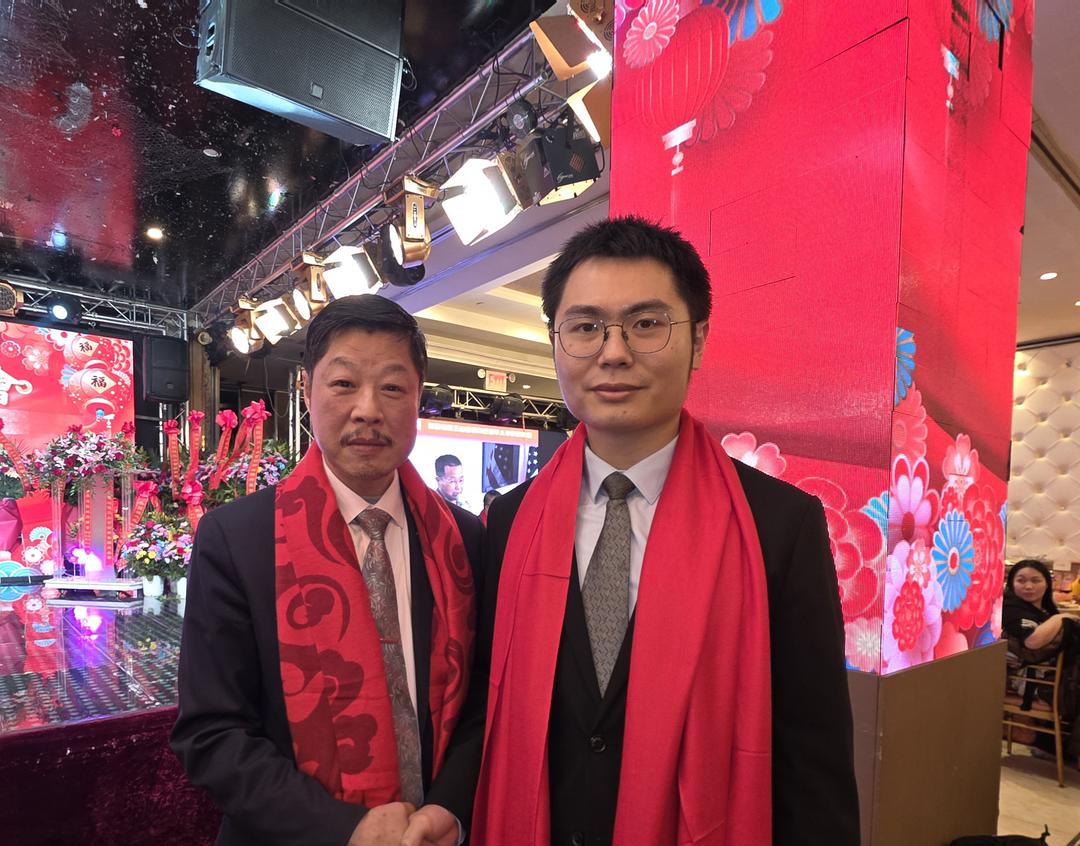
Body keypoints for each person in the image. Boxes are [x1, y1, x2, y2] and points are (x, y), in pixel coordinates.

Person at [405, 216, 860, 846]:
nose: (613, 353)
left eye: (646, 324)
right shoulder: (510, 520)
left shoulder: (779, 526)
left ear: (698, 339)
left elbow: (813, 761)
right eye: (586, 327)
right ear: (556, 342)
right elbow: (490, 698)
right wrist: (451, 807)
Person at [171, 295, 482, 846]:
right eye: (343, 384)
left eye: (393, 387)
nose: (368, 410)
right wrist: (345, 830)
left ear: (418, 397)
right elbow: (213, 732)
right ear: (306, 390)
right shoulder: (237, 539)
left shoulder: (463, 539)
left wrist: (450, 809)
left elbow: (484, 703)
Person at [1002, 559, 1080, 762]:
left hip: (1051, 678)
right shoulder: (1011, 608)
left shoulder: (1043, 610)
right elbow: (1032, 641)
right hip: (1030, 680)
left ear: (1047, 583)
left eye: (1035, 580)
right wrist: (1060, 618)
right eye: (1021, 580)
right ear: (1012, 583)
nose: (1028, 586)